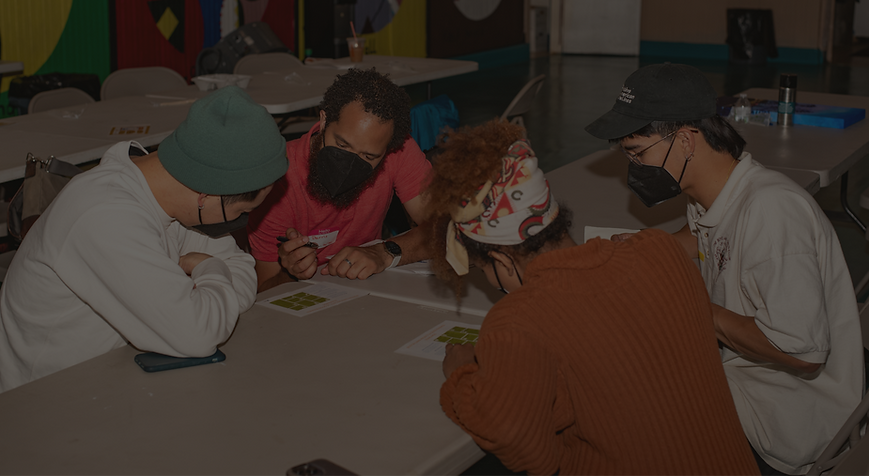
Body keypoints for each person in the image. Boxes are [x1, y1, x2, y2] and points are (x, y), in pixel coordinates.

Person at [426, 120, 760, 476]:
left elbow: (530, 452)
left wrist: (461, 373)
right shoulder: (661, 250)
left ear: (501, 260)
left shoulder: (518, 319)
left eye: (484, 271)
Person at [585, 63, 864, 475]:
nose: (633, 167)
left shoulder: (772, 213)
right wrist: (644, 249)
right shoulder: (718, 194)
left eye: (638, 152)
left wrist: (696, 309)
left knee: (621, 419)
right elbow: (700, 236)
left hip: (788, 418)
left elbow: (802, 353)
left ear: (685, 140)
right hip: (748, 381)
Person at [0, 86, 288, 393]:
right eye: (242, 212)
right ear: (206, 194)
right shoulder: (106, 216)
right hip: (42, 397)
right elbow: (198, 334)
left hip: (109, 375)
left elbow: (241, 267)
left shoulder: (171, 189)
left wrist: (212, 301)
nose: (238, 223)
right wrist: (211, 269)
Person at [247, 68, 430, 291]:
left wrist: (385, 252)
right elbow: (265, 290)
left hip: (368, 287)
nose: (349, 165)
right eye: (342, 145)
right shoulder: (278, 178)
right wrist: (291, 272)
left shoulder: (395, 148)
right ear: (324, 121)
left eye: (368, 157)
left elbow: (451, 227)